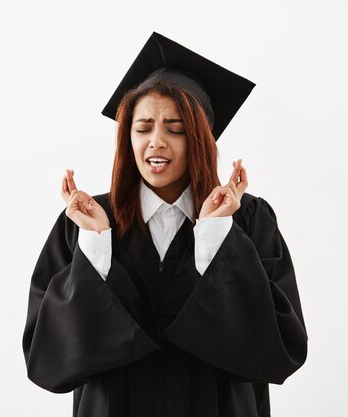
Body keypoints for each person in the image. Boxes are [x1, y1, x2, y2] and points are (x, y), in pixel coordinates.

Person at [22, 32, 308, 417]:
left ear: (201, 139)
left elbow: (281, 350)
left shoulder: (248, 219)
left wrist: (216, 237)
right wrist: (96, 249)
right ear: (128, 137)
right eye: (143, 128)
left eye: (175, 128)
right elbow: (47, 360)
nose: (156, 142)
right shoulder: (87, 221)